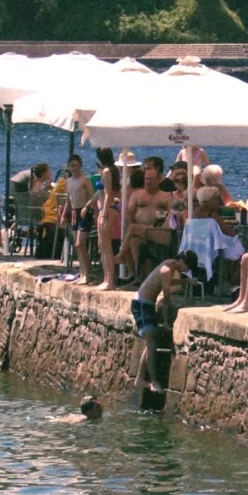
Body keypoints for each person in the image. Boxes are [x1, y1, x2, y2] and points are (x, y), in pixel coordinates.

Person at [133, 253, 198, 391]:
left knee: (151, 343)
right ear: (182, 261)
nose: (186, 271)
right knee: (151, 343)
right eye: (187, 268)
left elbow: (167, 282)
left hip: (147, 304)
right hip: (141, 305)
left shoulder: (170, 265)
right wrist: (167, 321)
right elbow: (166, 297)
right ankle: (153, 381)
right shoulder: (166, 269)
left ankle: (140, 378)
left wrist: (186, 281)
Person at [120, 160, 173, 277]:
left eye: (151, 179)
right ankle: (140, 276)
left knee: (133, 229)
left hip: (158, 230)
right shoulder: (137, 195)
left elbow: (172, 214)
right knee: (134, 240)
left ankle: (120, 255)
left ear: (158, 180)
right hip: (140, 231)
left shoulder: (166, 196)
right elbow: (130, 213)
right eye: (146, 179)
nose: (148, 181)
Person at [63, 153, 96, 281]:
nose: (75, 168)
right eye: (72, 166)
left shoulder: (85, 179)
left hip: (85, 212)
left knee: (80, 243)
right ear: (69, 167)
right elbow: (68, 200)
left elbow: (93, 196)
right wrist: (64, 215)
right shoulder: (68, 181)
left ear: (81, 166)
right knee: (77, 246)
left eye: (77, 165)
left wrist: (88, 208)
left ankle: (87, 274)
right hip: (74, 213)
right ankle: (82, 273)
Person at [93, 147, 119, 292]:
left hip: (107, 209)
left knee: (106, 247)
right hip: (105, 209)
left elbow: (108, 193)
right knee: (102, 246)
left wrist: (103, 213)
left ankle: (110, 281)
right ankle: (106, 279)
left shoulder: (107, 171)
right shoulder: (110, 170)